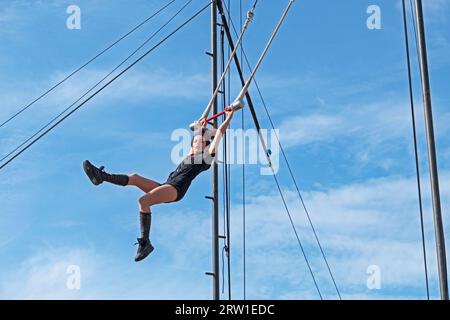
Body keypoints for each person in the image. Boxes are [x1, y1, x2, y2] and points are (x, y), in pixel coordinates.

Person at [82, 110, 234, 262]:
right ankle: (101, 177)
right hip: (168, 184)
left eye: (199, 142)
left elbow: (219, 133)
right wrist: (202, 126)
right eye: (194, 142)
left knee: (143, 201)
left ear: (205, 146)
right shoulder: (190, 155)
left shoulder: (206, 158)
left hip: (176, 189)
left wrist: (228, 117)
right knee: (135, 177)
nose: (195, 143)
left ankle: (145, 243)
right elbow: (199, 135)